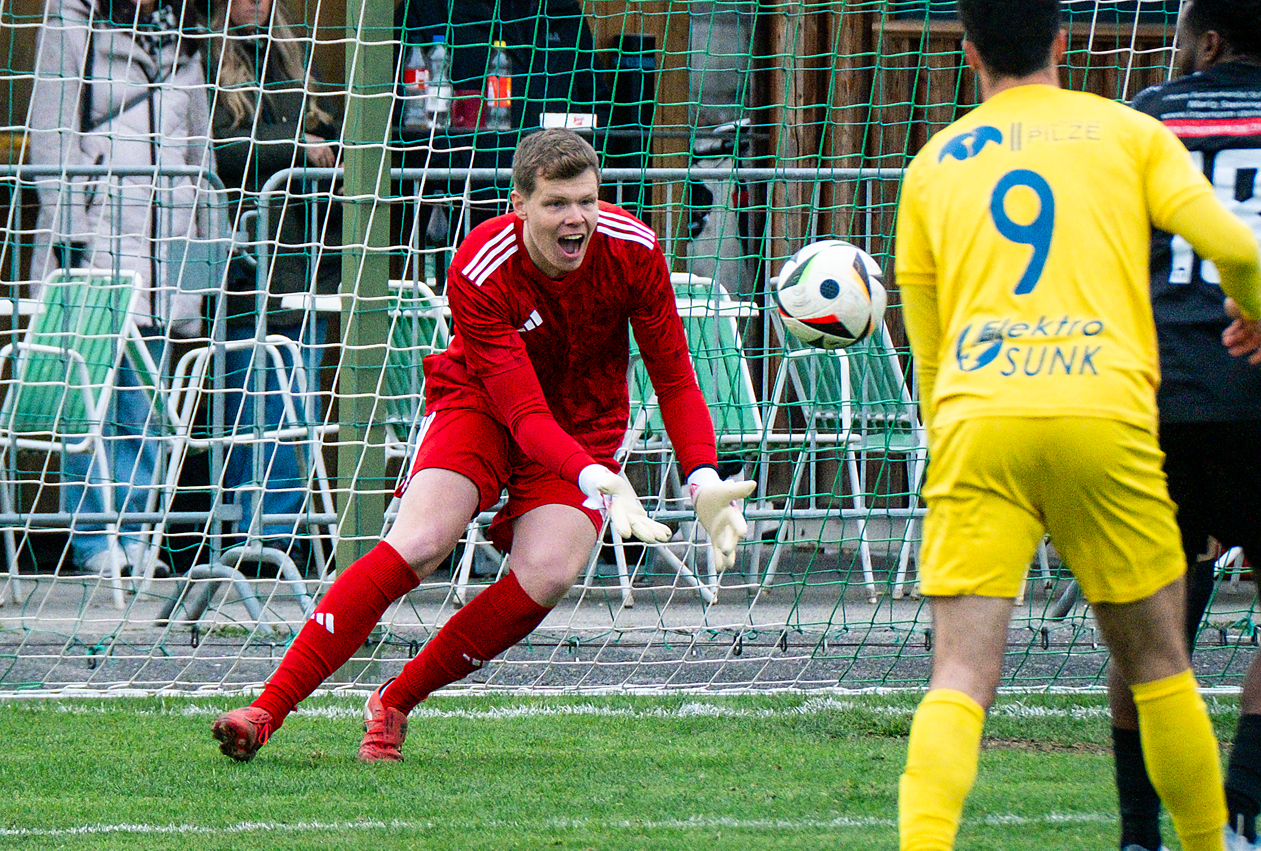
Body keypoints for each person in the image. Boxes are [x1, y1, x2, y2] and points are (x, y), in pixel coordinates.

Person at [211, 128, 756, 762]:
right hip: (483, 404)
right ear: (519, 204)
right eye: (556, 203)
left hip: (584, 423)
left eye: (588, 200)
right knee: (421, 541)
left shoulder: (634, 249)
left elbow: (675, 378)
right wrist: (592, 476)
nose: (577, 218)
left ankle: (394, 701)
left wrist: (702, 478)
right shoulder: (480, 265)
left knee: (549, 573)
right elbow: (523, 414)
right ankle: (266, 709)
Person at [892, 1, 1261, 851]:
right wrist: (1253, 310)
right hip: (1105, 415)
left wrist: (952, 436)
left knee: (959, 675)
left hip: (981, 418)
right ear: (1062, 43)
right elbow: (1234, 245)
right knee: (1160, 666)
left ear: (969, 53)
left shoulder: (933, 164)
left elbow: (928, 347)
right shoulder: (1128, 131)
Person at [1104, 3, 1261, 851]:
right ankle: (1238, 818)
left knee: (1150, 626)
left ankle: (1140, 837)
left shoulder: (1145, 117)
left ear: (1209, 41)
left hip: (1156, 393)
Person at [26, 0, 214, 579]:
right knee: (91, 399)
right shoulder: (72, 22)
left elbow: (200, 153)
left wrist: (206, 259)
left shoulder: (186, 34)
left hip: (166, 245)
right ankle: (93, 538)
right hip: (96, 237)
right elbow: (49, 133)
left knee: (147, 401)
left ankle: (134, 536)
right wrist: (70, 233)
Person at [205, 0, 341, 552]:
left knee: (296, 403)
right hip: (246, 260)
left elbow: (324, 125)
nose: (256, 1)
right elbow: (214, 149)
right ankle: (253, 533)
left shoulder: (291, 55)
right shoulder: (204, 56)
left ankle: (277, 535)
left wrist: (331, 145)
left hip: (306, 255)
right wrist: (296, 148)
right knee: (252, 402)